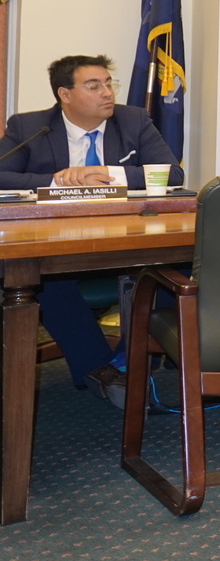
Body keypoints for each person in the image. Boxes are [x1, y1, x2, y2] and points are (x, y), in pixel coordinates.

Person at [0, 54, 185, 397]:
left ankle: (133, 358)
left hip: (126, 238)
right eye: (93, 85)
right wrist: (56, 181)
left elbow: (172, 174)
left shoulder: (133, 121)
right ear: (65, 95)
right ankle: (102, 369)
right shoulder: (30, 127)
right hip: (56, 241)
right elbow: (1, 175)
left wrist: (106, 176)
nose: (107, 93)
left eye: (108, 84)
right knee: (45, 281)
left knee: (172, 265)